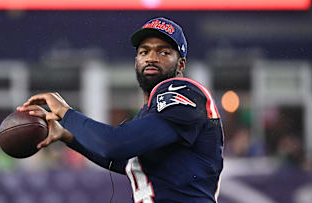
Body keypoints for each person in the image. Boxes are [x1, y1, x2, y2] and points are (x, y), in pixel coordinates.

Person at [17, 17, 224, 203]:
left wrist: (65, 112)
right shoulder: (150, 113)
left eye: (163, 52)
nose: (151, 57)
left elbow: (114, 144)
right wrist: (67, 135)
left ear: (181, 64)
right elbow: (127, 161)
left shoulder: (185, 93)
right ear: (136, 61)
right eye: (144, 51)